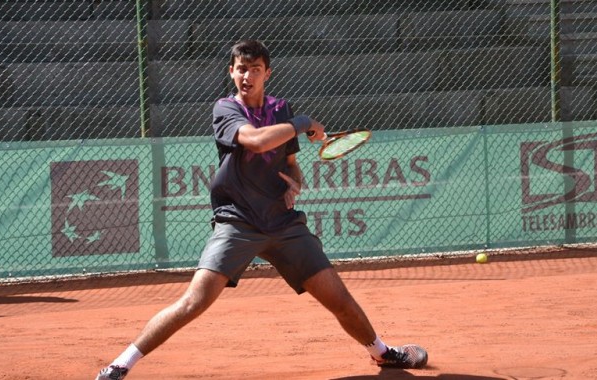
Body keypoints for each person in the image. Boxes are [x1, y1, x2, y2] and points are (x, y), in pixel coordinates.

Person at [96, 40, 427, 379]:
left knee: (337, 297)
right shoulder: (226, 108)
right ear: (231, 72)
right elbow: (256, 141)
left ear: (267, 73)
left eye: (255, 69)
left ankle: (383, 353)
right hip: (238, 222)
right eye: (241, 68)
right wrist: (302, 121)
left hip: (284, 224)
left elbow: (290, 162)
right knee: (194, 301)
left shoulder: (281, 109)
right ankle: (120, 364)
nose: (247, 76)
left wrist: (294, 181)